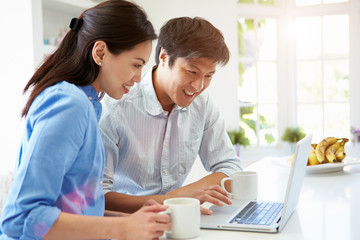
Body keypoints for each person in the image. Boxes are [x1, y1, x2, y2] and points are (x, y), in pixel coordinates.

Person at [0, 1, 171, 239]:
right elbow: (22, 220)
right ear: (100, 52)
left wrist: (130, 222)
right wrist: (122, 229)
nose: (138, 78)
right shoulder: (70, 105)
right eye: (136, 65)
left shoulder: (87, 104)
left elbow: (72, 207)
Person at [99, 16, 243, 215]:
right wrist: (175, 199)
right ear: (164, 57)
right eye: (192, 71)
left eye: (208, 75)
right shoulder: (115, 106)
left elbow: (230, 165)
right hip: (128, 224)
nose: (199, 86)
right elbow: (100, 196)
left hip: (181, 218)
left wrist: (181, 197)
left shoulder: (203, 104)